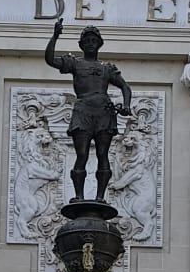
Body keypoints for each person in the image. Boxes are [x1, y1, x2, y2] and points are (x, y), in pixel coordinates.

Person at [44, 18, 132, 202]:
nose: (91, 43)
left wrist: (126, 106)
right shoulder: (75, 64)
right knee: (82, 154)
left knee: (102, 154)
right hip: (83, 111)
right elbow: (50, 60)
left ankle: (100, 197)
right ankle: (79, 196)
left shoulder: (107, 69)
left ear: (99, 44)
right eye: (87, 41)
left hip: (104, 113)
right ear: (81, 45)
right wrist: (55, 36)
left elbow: (125, 87)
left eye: (94, 41)